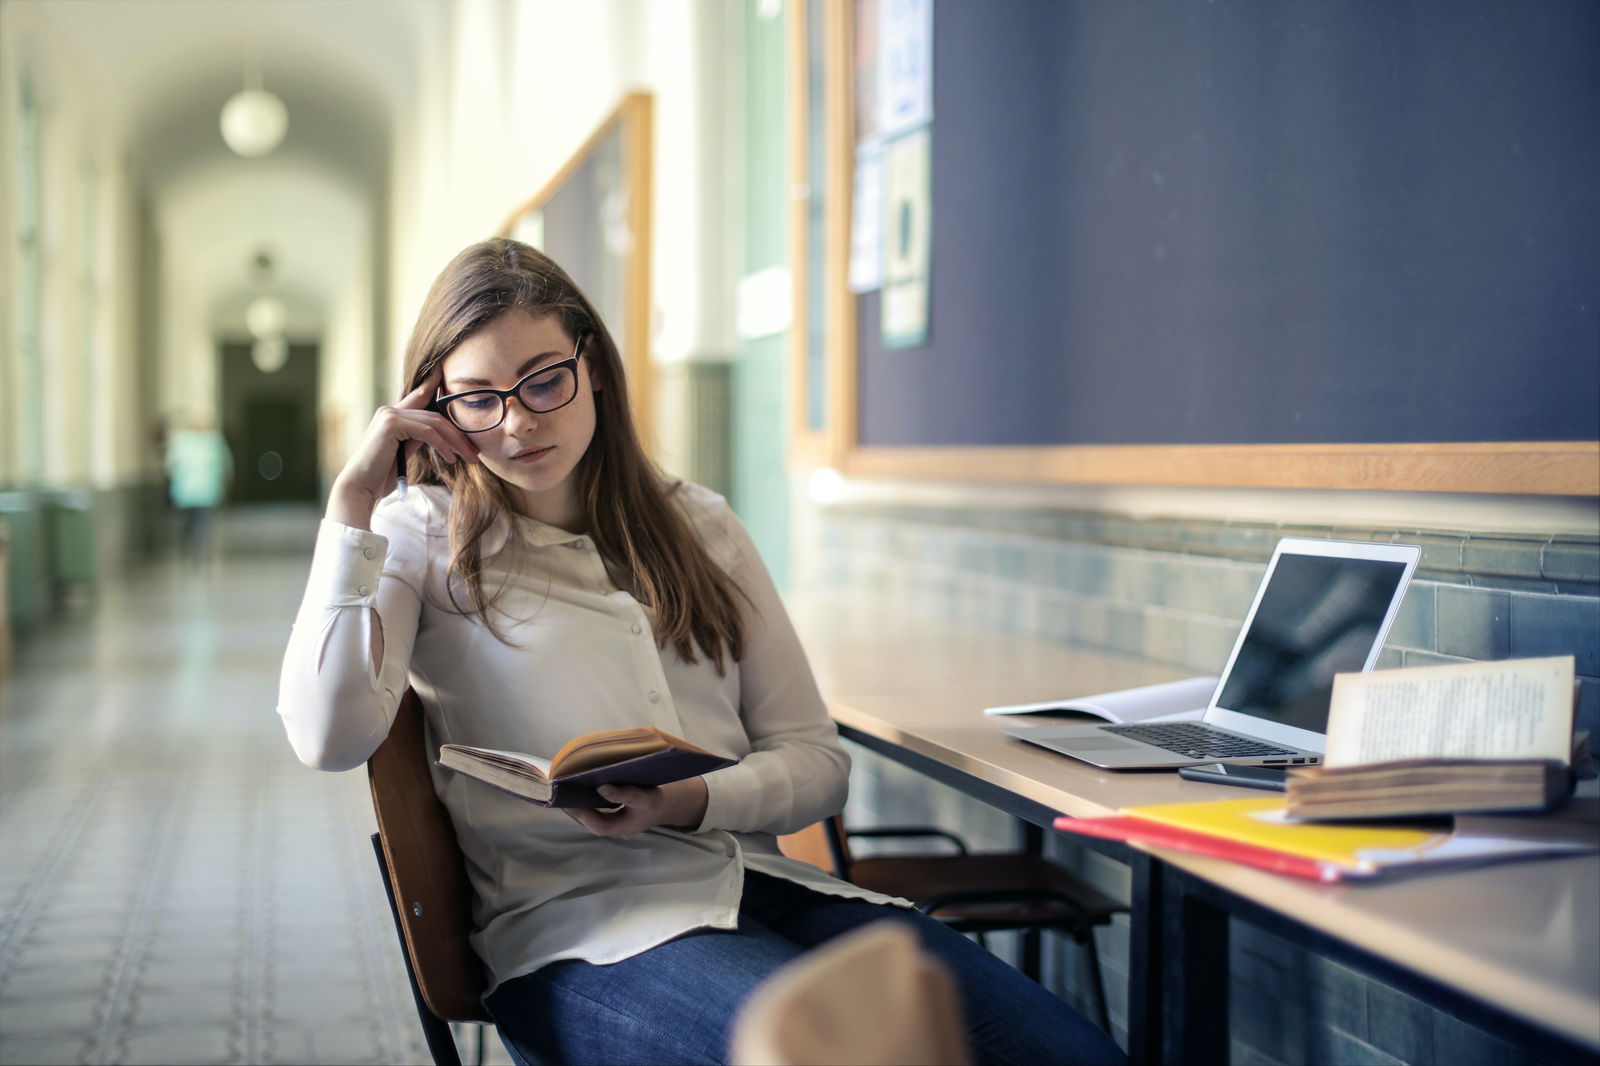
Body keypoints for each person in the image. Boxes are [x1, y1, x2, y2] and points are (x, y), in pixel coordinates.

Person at [276, 237, 1124, 1066]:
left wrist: (688, 801)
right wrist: (352, 506)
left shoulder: (700, 524)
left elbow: (817, 765)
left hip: (765, 890)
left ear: (592, 365)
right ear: (437, 410)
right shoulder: (419, 535)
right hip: (582, 935)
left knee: (1072, 1053)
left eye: (544, 381)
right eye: (478, 400)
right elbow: (329, 738)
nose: (519, 422)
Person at [163, 413, 233, 565]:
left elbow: (169, 465)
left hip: (186, 492)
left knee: (189, 523)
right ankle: (200, 550)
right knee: (203, 523)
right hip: (205, 491)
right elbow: (226, 464)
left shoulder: (181, 441)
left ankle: (192, 550)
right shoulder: (213, 440)